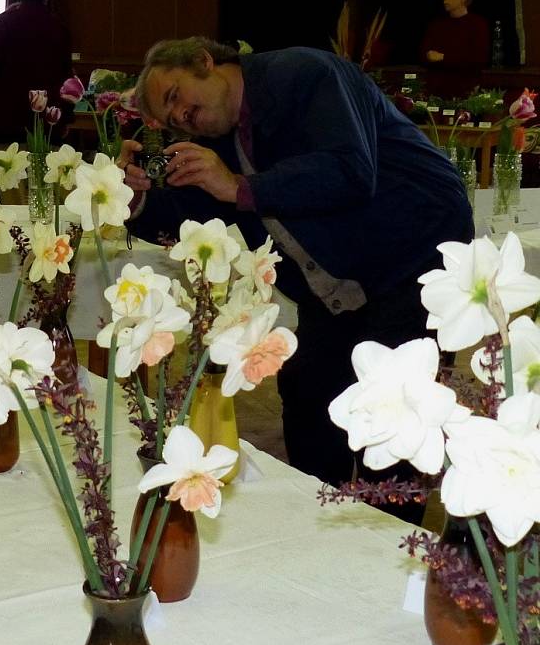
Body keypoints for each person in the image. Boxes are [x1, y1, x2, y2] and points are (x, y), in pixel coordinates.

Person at [122, 37, 474, 518]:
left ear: (206, 62)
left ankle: (395, 542)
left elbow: (350, 169)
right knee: (310, 390)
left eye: (176, 96)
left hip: (414, 252)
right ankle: (319, 522)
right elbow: (200, 217)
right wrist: (134, 200)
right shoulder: (217, 144)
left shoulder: (304, 74)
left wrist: (240, 185)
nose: (182, 114)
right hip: (336, 282)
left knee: (392, 406)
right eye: (171, 118)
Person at [0, 0, 73, 147]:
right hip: (47, 115)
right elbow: (65, 76)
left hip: (7, 114)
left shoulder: (4, 21)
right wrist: (66, 116)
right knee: (45, 170)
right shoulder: (58, 25)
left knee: (7, 171)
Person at [420, 0, 490, 99]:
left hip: (465, 93)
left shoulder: (477, 25)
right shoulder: (437, 25)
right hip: (436, 93)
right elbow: (424, 54)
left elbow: (478, 59)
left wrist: (443, 57)